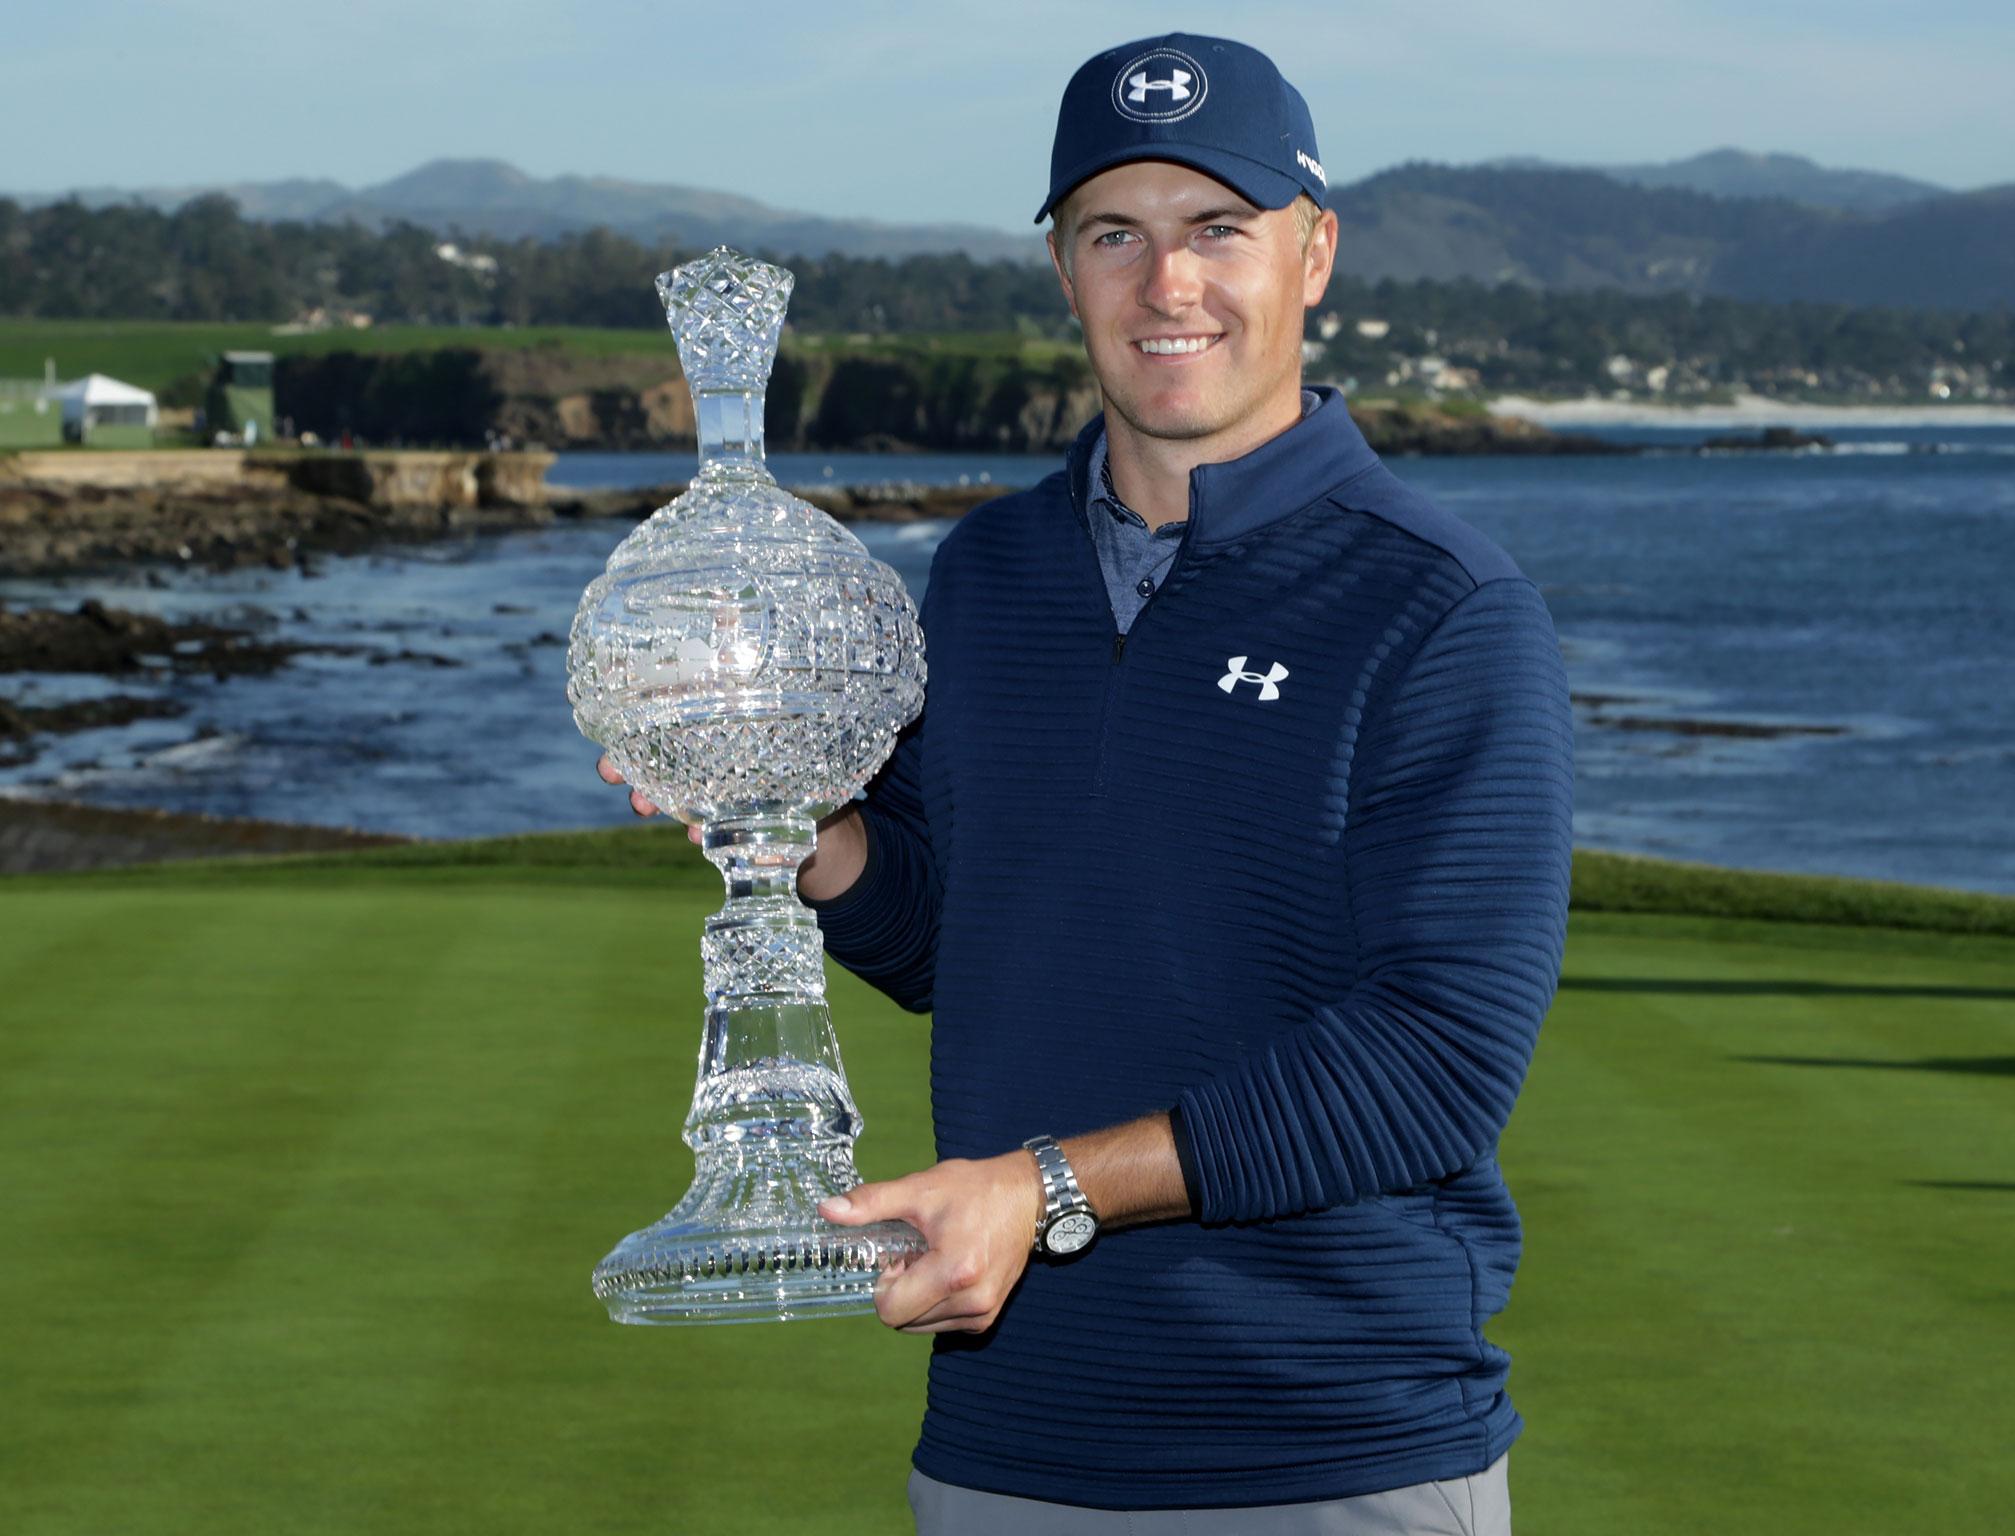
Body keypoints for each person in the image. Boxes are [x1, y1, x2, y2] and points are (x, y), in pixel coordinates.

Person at [600, 31, 1570, 1535]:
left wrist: (1045, 1189)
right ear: (1064, 268)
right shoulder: (987, 576)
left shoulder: (1440, 604)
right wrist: (801, 820)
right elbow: (956, 940)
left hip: (1333, 1457)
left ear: (1315, 255)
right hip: (1007, 1450)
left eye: (1217, 231)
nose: (1166, 285)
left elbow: (1435, 1063)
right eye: (1115, 234)